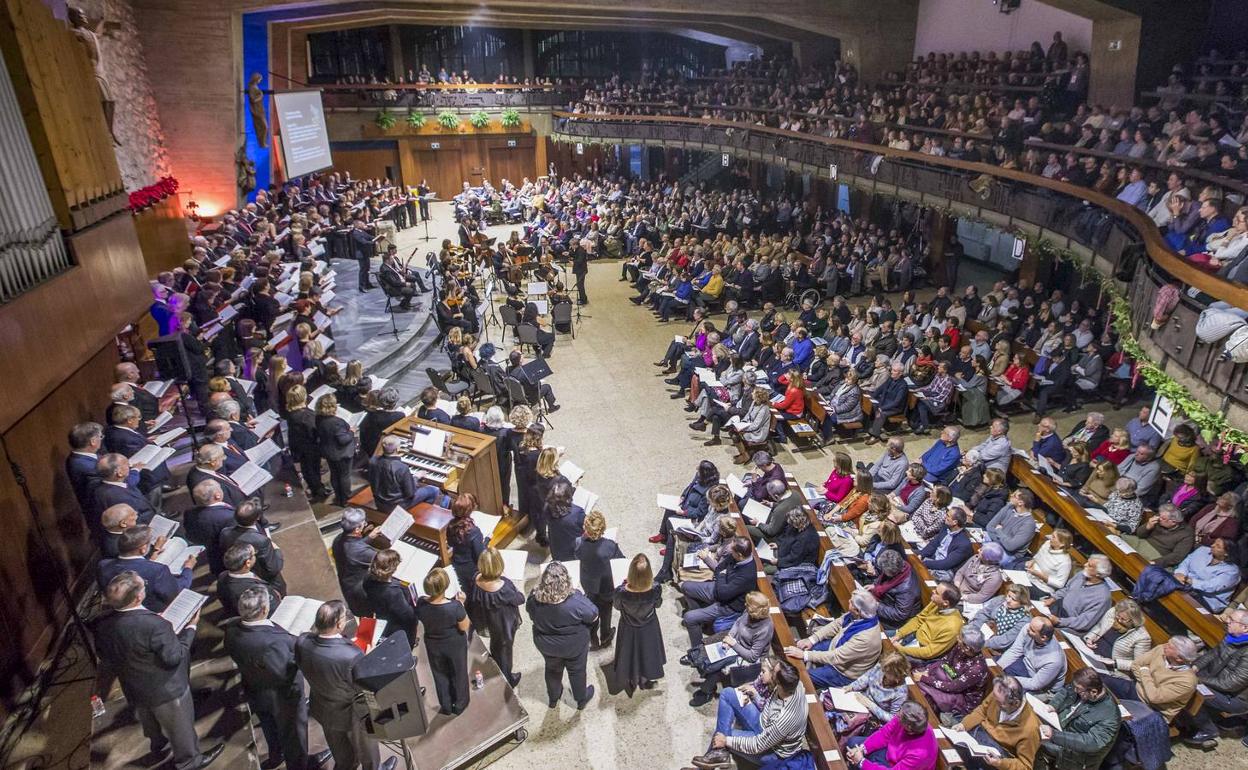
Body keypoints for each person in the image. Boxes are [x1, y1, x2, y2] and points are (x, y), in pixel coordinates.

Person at [93, 572, 223, 770]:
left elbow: (106, 655)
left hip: (133, 684)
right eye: (143, 585)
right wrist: (191, 629)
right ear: (138, 597)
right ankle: (189, 761)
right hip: (166, 688)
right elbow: (173, 657)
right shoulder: (153, 624)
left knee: (149, 719)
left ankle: (157, 744)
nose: (145, 587)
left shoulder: (103, 624)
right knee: (181, 729)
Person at [223, 587, 327, 770]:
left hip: (254, 689)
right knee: (294, 732)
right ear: (264, 610)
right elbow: (283, 672)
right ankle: (299, 764)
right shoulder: (274, 642)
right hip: (283, 697)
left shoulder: (231, 629)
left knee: (269, 727)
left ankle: (276, 755)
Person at [295, 601, 396, 770]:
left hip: (324, 706)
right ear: (339, 624)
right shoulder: (350, 656)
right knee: (367, 751)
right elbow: (363, 685)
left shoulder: (302, 641)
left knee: (342, 754)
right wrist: (367, 660)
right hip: (353, 712)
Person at [689, 659, 807, 770]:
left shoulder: (785, 718)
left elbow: (758, 745)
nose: (771, 671)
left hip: (771, 751)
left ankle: (708, 763)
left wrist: (726, 741)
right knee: (728, 694)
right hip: (763, 722)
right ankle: (719, 754)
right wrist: (754, 696)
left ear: (779, 684)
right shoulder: (796, 684)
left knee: (722, 735)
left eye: (773, 672)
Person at [527, 561, 598, 709]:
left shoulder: (534, 600)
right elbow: (593, 615)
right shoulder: (575, 601)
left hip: (546, 644)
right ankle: (580, 699)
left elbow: (530, 614)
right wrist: (577, 592)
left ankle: (553, 698)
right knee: (577, 671)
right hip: (574, 645)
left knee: (552, 669)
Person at [686, 591, 774, 706]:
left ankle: (706, 691)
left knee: (717, 668)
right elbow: (737, 624)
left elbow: (753, 656)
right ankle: (697, 659)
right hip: (736, 641)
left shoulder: (765, 628)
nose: (745, 606)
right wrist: (730, 637)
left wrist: (733, 644)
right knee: (709, 642)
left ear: (754, 610)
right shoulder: (748, 611)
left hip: (748, 654)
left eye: (747, 605)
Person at [785, 589, 882, 688]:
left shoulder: (865, 638)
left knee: (802, 678)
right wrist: (812, 639)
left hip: (843, 672)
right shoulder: (860, 617)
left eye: (851, 602)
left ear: (857, 611)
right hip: (836, 647)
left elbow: (836, 657)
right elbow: (837, 624)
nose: (849, 601)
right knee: (800, 648)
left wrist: (804, 655)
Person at [1183, 608, 1248, 749]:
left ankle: (1208, 730)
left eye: (1232, 620)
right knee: (1184, 675)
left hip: (1235, 698)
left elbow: (1231, 684)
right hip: (1215, 680)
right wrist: (1195, 667)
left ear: (1245, 628)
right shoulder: (1231, 637)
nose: (1227, 621)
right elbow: (1211, 654)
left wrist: (1200, 680)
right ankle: (1183, 718)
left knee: (1192, 690)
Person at [680, 537, 756, 648]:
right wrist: (722, 575)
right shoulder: (736, 556)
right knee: (685, 586)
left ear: (739, 555)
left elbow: (723, 593)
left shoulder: (747, 574)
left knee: (688, 618)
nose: (730, 552)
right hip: (718, 589)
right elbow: (719, 568)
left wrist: (722, 575)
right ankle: (700, 621)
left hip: (727, 606)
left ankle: (697, 650)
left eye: (732, 551)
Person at [97, 526, 195, 612]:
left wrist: (153, 555)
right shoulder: (157, 570)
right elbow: (175, 592)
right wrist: (188, 569)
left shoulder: (103, 565)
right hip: (153, 611)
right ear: (143, 549)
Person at [1037, 669, 1121, 770]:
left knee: (1033, 739)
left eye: (1078, 689)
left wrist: (1054, 735)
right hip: (1059, 730)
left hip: (1075, 755)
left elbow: (1091, 743)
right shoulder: (1082, 687)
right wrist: (1053, 705)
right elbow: (1066, 691)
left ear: (1093, 692)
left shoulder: (1110, 715)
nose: (1075, 690)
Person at [1101, 638, 1199, 724]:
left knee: (1111, 715)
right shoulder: (1161, 650)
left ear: (1179, 659)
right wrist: (1149, 684)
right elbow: (1136, 664)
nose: (1165, 645)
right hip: (1135, 688)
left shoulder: (1187, 681)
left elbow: (1154, 697)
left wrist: (1145, 670)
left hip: (1151, 709)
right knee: (1097, 678)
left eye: (1170, 647)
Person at [952, 675, 1040, 770]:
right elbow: (982, 710)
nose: (995, 702)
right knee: (948, 751)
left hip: (997, 755)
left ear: (1015, 703)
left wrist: (1000, 763)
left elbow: (1025, 766)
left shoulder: (1030, 729)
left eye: (999, 703)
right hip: (978, 734)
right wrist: (964, 724)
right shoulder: (998, 694)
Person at [465, 548, 524, 688]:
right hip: (504, 623)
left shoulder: (476, 579)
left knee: (495, 644)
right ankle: (508, 678)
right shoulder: (503, 587)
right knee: (505, 650)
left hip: (488, 620)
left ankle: (496, 661)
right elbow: (520, 598)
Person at [416, 567, 471, 715]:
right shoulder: (454, 607)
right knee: (458, 673)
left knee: (440, 675)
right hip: (454, 645)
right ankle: (460, 704)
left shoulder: (421, 603)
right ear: (445, 586)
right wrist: (461, 604)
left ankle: (446, 706)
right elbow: (464, 626)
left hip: (433, 644)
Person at [612, 554, 666, 695]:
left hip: (628, 627)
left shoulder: (621, 591)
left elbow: (617, 606)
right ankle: (645, 678)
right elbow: (658, 604)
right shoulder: (655, 588)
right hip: (649, 626)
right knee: (647, 652)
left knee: (629, 652)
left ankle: (631, 677)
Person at [574, 510, 624, 649]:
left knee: (591, 610)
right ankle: (605, 635)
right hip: (606, 585)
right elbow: (621, 561)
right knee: (606, 612)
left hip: (589, 584)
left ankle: (592, 637)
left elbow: (577, 555)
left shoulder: (579, 543)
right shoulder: (610, 545)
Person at [914, 627, 990, 718]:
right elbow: (944, 661)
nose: (957, 638)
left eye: (960, 638)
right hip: (948, 677)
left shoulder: (977, 668)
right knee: (918, 673)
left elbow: (953, 687)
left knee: (924, 689)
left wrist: (925, 678)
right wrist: (927, 672)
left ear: (967, 648)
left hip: (962, 696)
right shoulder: (960, 647)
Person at [843, 700, 938, 770]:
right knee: (853, 743)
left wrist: (861, 762)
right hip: (891, 750)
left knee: (864, 762)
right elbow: (884, 734)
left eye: (899, 716)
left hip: (896, 764)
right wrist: (862, 749)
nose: (896, 715)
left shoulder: (920, 753)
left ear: (908, 727)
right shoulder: (905, 717)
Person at [368, 434, 445, 512]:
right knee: (434, 489)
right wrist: (416, 477)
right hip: (396, 506)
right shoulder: (401, 467)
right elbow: (410, 494)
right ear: (397, 449)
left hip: (379, 502)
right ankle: (419, 514)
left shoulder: (373, 461)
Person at [892, 582, 963, 661]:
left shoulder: (952, 627)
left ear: (945, 603)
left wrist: (901, 649)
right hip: (914, 635)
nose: (933, 591)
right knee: (882, 637)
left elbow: (929, 652)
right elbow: (919, 620)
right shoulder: (936, 603)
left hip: (921, 650)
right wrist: (899, 634)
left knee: (892, 659)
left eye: (936, 592)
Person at [1043, 555, 1113, 633]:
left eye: (1089, 565)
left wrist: (1059, 621)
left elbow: (1084, 622)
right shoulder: (1082, 574)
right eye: (1087, 562)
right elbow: (1067, 589)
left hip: (1071, 626)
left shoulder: (1103, 597)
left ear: (1098, 573)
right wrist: (1053, 598)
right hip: (1059, 609)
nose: (1085, 565)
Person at [361, 548, 419, 642]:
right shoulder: (393, 592)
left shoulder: (368, 578)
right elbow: (408, 616)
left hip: (383, 617)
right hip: (398, 626)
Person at [997, 617, 1066, 693]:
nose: (1027, 629)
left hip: (1037, 682)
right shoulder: (1028, 628)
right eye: (1030, 626)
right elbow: (1015, 651)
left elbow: (1035, 684)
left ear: (1043, 637)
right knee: (992, 665)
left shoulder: (1054, 660)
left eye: (1032, 630)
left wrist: (1006, 679)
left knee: (1003, 689)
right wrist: (997, 668)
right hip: (1024, 663)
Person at [332, 508, 379, 617]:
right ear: (357, 529)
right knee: (369, 619)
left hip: (348, 585)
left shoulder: (338, 539)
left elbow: (353, 546)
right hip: (360, 593)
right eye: (364, 524)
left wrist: (369, 537)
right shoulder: (360, 552)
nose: (365, 524)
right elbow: (383, 559)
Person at [215, 542, 282, 619]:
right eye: (254, 554)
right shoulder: (253, 590)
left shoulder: (223, 576)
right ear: (248, 563)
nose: (255, 555)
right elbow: (270, 609)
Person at [1174, 537, 1241, 611]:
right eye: (1214, 542)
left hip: (1207, 600)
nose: (1212, 545)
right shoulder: (1202, 550)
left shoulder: (1232, 571)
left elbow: (1210, 587)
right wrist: (1180, 573)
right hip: (1185, 584)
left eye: (1218, 546)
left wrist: (1187, 579)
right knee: (1163, 578)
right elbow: (1186, 563)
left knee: (1177, 596)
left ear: (1226, 553)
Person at [1084, 598, 1151, 673]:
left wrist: (1115, 663)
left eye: (1123, 619)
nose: (1119, 620)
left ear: (1133, 620)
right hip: (1091, 653)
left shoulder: (1142, 637)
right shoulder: (1114, 612)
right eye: (1118, 616)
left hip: (1110, 668)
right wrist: (1090, 638)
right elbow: (1099, 627)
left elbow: (1138, 664)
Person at [286, 385, 328, 500]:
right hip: (311, 447)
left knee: (308, 469)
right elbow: (314, 431)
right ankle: (319, 491)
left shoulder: (291, 413)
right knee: (312, 470)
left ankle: (316, 488)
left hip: (300, 447)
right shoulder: (307, 415)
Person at [315, 393, 356, 506]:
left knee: (334, 473)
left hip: (328, 451)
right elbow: (343, 440)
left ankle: (338, 496)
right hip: (341, 453)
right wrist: (351, 432)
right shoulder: (336, 422)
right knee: (344, 476)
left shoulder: (319, 418)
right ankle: (345, 499)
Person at [983, 489, 1038, 568]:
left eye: (1014, 495)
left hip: (1008, 553)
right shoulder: (1009, 507)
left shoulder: (1029, 524)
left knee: (985, 556)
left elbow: (1010, 547)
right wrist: (1001, 540)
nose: (1011, 495)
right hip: (995, 542)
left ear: (1020, 503)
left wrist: (999, 530)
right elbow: (989, 526)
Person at [872, 549, 922, 629]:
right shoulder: (901, 566)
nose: (883, 572)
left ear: (892, 573)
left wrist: (877, 606)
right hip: (887, 602)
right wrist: (874, 585)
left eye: (884, 571)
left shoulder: (906, 589)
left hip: (897, 621)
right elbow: (884, 579)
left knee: (864, 616)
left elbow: (900, 614)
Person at [446, 492, 486, 590]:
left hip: (456, 565)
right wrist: (486, 540)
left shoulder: (451, 525)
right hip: (471, 570)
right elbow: (480, 556)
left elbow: (450, 543)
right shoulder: (473, 531)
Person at [544, 477, 585, 561]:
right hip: (573, 551)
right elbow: (585, 526)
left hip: (557, 549)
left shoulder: (547, 509)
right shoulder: (577, 512)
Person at [1025, 529, 1074, 596]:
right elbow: (1037, 557)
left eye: (1053, 537)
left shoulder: (1065, 562)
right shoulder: (1047, 543)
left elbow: (1060, 584)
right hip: (1030, 575)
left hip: (1042, 587)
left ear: (1062, 543)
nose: (1050, 537)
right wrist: (1032, 561)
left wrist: (1041, 576)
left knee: (1019, 591)